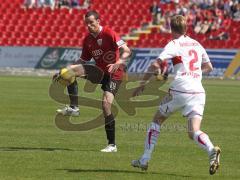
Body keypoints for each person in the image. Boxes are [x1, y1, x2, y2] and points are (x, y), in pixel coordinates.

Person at [131, 15, 221, 175]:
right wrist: (195, 73)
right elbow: (209, 67)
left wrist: (142, 84)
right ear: (186, 28)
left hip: (180, 89)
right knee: (193, 131)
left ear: (171, 29)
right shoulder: (197, 44)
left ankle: (144, 159)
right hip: (198, 92)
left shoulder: (174, 44)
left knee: (157, 120)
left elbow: (154, 64)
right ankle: (211, 150)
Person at [54, 10, 131, 152]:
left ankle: (112, 145)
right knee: (68, 72)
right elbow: (83, 60)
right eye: (87, 24)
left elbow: (127, 50)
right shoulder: (88, 40)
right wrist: (65, 70)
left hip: (115, 74)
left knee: (106, 105)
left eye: (92, 23)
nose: (89, 26)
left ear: (98, 21)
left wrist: (118, 62)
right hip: (99, 72)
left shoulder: (109, 33)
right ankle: (74, 108)